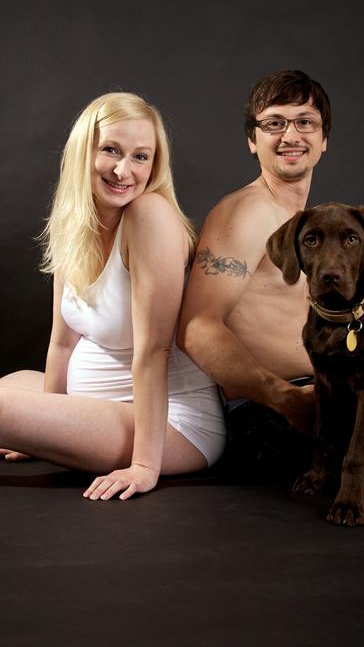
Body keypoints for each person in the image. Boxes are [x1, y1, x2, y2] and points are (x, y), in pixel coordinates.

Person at [177, 69, 364, 479]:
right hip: (280, 408)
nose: (290, 135)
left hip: (353, 381)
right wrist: (285, 398)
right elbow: (196, 329)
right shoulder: (247, 213)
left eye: (305, 122)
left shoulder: (311, 226)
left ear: (323, 139)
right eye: (274, 124)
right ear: (252, 139)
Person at [0, 92, 226, 499]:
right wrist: (42, 429)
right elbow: (62, 343)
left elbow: (154, 350)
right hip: (95, 404)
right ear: (83, 152)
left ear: (154, 165)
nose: (124, 171)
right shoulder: (75, 226)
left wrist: (144, 467)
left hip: (168, 425)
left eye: (141, 156)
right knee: (10, 384)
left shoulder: (149, 215)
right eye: (110, 150)